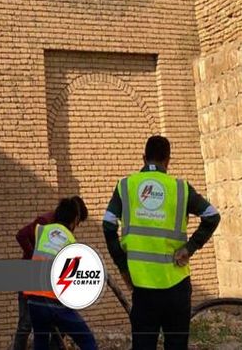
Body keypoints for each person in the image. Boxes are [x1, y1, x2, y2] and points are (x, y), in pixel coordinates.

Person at [103, 135, 221, 350]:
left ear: (143, 158)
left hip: (143, 287)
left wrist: (123, 268)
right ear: (168, 160)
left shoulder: (126, 186)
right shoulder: (181, 188)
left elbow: (108, 223)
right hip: (176, 286)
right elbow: (212, 215)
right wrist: (189, 248)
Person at [13, 197, 89, 350]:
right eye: (78, 221)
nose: (76, 226)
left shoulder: (63, 231)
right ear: (74, 215)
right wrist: (35, 256)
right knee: (26, 324)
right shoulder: (45, 222)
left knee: (57, 322)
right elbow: (21, 235)